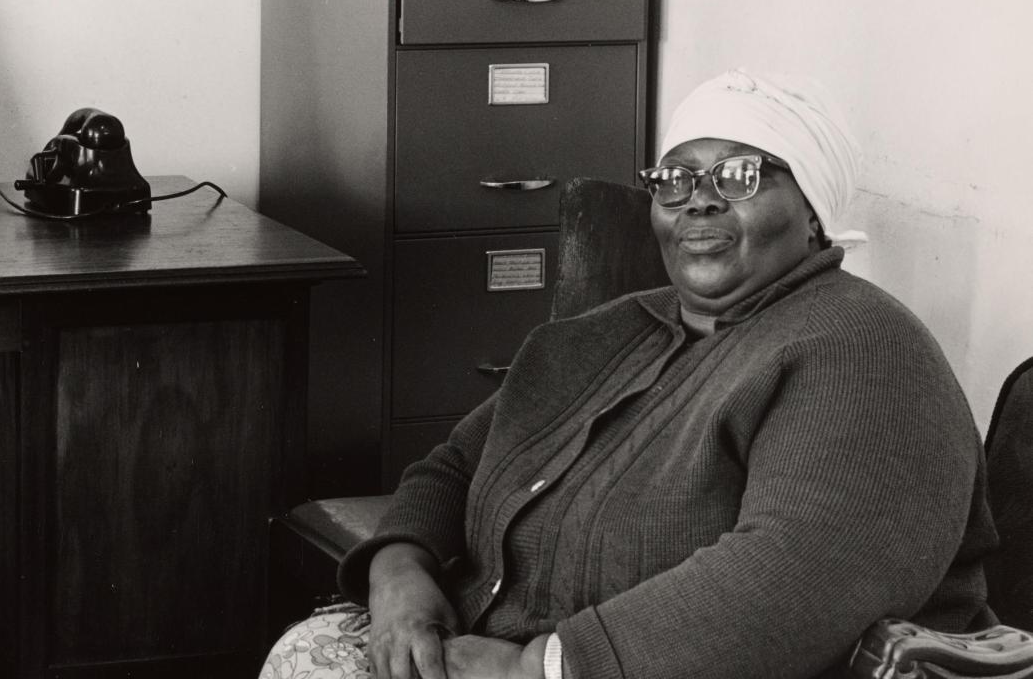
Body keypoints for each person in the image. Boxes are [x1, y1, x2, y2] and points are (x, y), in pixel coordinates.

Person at [262, 69, 995, 679]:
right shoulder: (604, 333)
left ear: (812, 212)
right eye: (674, 178)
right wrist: (399, 575)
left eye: (739, 176)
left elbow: (796, 579)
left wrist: (541, 667)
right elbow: (455, 466)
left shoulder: (862, 345)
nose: (698, 198)